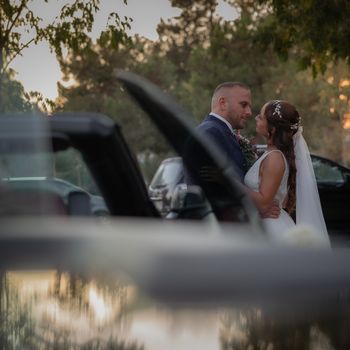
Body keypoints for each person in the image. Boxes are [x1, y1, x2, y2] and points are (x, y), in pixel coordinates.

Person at [184, 81, 279, 221]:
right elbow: (214, 190)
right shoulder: (211, 133)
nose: (249, 112)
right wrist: (255, 213)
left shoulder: (220, 131)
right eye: (243, 104)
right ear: (223, 103)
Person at [244, 100, 330, 246]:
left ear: (273, 128)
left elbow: (264, 202)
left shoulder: (275, 158)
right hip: (266, 222)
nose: (256, 118)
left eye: (261, 116)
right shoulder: (271, 153)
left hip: (270, 229)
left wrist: (229, 181)